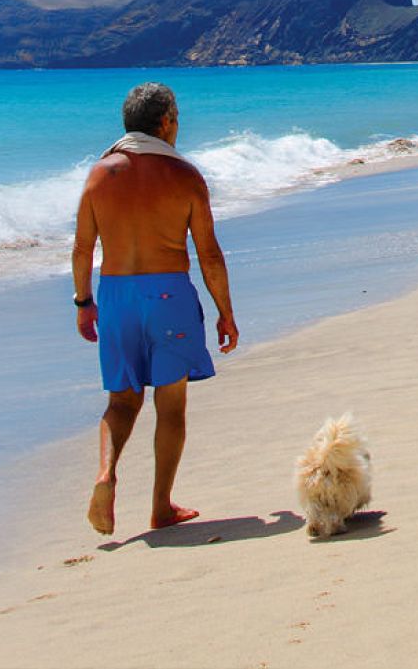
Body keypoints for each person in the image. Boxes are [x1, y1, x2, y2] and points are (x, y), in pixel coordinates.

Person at [71, 83, 240, 535]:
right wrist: (225, 311)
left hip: (115, 297)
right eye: (177, 117)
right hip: (169, 297)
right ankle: (161, 506)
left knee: (121, 402)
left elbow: (83, 249)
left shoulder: (99, 174)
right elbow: (209, 254)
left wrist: (84, 303)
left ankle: (106, 476)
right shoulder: (184, 176)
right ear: (165, 122)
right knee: (170, 406)